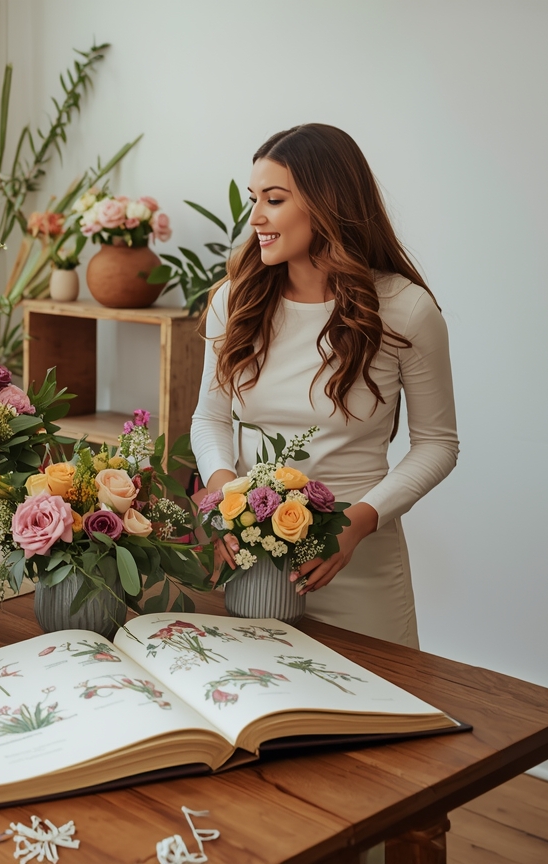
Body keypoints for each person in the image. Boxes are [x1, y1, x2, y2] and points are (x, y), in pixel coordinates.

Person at [190, 123, 458, 649]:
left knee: (375, 722)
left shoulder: (405, 310)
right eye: (254, 199)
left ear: (326, 202)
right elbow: (211, 417)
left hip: (357, 564)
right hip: (252, 562)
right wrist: (225, 498)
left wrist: (356, 525)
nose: (257, 218)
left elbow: (437, 445)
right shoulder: (235, 301)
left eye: (274, 199)